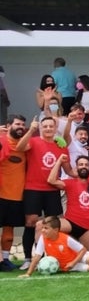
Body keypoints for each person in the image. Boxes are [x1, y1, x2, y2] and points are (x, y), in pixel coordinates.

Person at [16, 116, 72, 271]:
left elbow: (68, 170)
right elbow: (20, 147)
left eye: (50, 126)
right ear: (41, 128)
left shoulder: (60, 144)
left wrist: (83, 177)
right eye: (45, 126)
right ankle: (28, 258)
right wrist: (31, 130)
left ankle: (52, 256)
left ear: (55, 128)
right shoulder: (33, 141)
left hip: (52, 189)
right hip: (33, 188)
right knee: (31, 222)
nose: (48, 128)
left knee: (53, 224)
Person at [18, 216, 89, 278]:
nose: (42, 230)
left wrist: (73, 262)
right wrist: (28, 273)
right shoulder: (43, 238)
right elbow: (37, 256)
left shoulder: (65, 238)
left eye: (46, 228)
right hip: (69, 266)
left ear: (55, 230)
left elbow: (83, 249)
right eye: (42, 228)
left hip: (79, 257)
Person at [0, 115, 26, 271]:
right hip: (0, 194)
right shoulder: (2, 141)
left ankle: (5, 259)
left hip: (16, 195)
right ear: (8, 125)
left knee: (9, 233)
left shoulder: (26, 145)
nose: (20, 127)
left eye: (23, 124)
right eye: (17, 124)